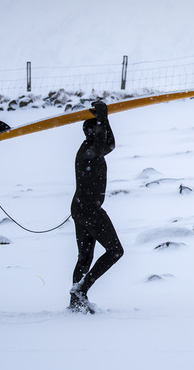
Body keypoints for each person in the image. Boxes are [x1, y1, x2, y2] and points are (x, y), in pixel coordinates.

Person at [68, 101, 124, 314]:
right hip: (88, 209)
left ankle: (76, 302)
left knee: (85, 257)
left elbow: (109, 145)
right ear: (92, 132)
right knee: (115, 251)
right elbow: (102, 145)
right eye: (99, 129)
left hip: (81, 208)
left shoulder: (92, 148)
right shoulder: (87, 152)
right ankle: (81, 290)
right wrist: (101, 118)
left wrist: (105, 119)